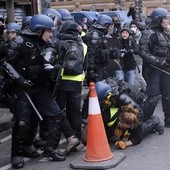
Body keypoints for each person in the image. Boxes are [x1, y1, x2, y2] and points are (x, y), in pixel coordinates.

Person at [2, 14, 66, 169]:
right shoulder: (19, 42)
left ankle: (50, 149)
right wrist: (20, 80)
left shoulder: (46, 43)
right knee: (23, 121)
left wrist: (51, 68)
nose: (51, 34)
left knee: (56, 115)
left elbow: (49, 58)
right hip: (23, 88)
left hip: (41, 86)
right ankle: (17, 154)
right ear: (39, 30)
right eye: (48, 31)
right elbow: (5, 64)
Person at [94, 78, 164, 149]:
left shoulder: (123, 98)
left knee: (139, 130)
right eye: (121, 125)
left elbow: (137, 137)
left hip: (138, 105)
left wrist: (125, 143)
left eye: (124, 126)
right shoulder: (105, 96)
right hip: (123, 108)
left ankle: (154, 121)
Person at [54, 20, 88, 152]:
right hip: (77, 82)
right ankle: (77, 141)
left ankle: (59, 141)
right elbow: (85, 65)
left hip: (61, 82)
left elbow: (56, 61)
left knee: (58, 112)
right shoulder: (83, 45)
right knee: (74, 113)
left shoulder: (59, 43)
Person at [139, 7, 170, 126]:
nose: (167, 21)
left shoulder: (165, 33)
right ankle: (141, 122)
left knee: (168, 96)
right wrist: (159, 62)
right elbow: (143, 52)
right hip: (153, 70)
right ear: (158, 20)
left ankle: (168, 120)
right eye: (165, 18)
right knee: (153, 97)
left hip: (165, 69)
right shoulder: (149, 33)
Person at [86, 14, 115, 84]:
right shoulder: (95, 35)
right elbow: (90, 53)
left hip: (100, 65)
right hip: (96, 66)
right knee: (97, 87)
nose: (110, 28)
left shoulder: (99, 34)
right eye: (109, 26)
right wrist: (91, 69)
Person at [130, 20, 147, 91]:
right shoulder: (130, 36)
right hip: (131, 58)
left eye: (134, 26)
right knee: (133, 76)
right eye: (131, 26)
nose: (133, 28)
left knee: (138, 76)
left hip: (138, 59)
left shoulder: (140, 35)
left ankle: (146, 88)